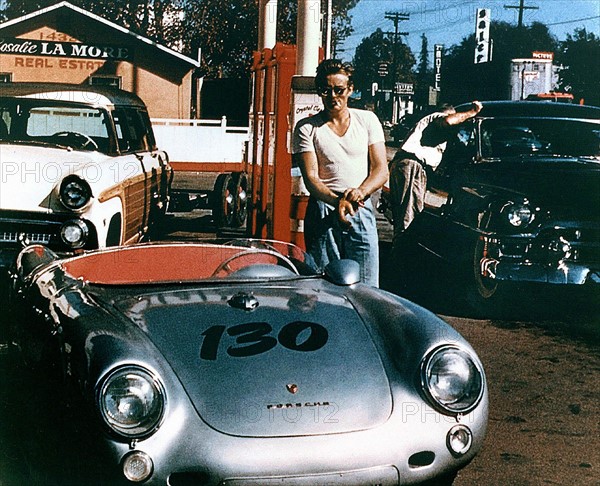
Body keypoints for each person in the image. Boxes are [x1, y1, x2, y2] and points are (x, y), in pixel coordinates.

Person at [292, 59, 388, 287]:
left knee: (367, 287)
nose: (333, 96)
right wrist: (337, 201)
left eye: (339, 90)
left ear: (351, 89)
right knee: (323, 285)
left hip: (360, 207)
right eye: (326, 90)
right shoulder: (307, 128)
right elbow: (311, 178)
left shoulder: (367, 120)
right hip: (324, 210)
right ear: (319, 92)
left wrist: (359, 193)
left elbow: (381, 169)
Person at [388, 101, 483, 250]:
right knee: (409, 216)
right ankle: (403, 255)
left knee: (405, 213)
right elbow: (447, 121)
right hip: (413, 166)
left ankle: (402, 250)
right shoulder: (439, 117)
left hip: (407, 165)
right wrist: (472, 113)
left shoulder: (431, 131)